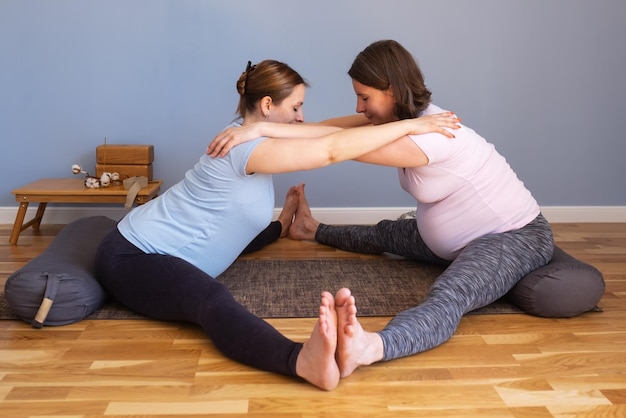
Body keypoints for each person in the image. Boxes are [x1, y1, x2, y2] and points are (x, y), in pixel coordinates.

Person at [94, 58, 461, 390]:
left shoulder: (247, 132)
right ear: (268, 105)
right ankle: (299, 361)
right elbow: (331, 148)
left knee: (227, 256)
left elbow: (324, 131)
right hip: (134, 255)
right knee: (210, 299)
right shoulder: (244, 148)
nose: (302, 118)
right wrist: (415, 125)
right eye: (296, 107)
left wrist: (280, 224)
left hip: (150, 246)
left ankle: (283, 236)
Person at [207, 41, 554, 380]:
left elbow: (333, 146)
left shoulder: (433, 133)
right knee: (386, 232)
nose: (359, 108)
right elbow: (331, 128)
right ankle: (309, 229)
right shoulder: (408, 118)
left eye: (364, 97)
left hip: (509, 236)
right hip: (448, 240)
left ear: (391, 90)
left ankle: (372, 346)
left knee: (450, 295)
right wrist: (261, 128)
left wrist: (261, 129)